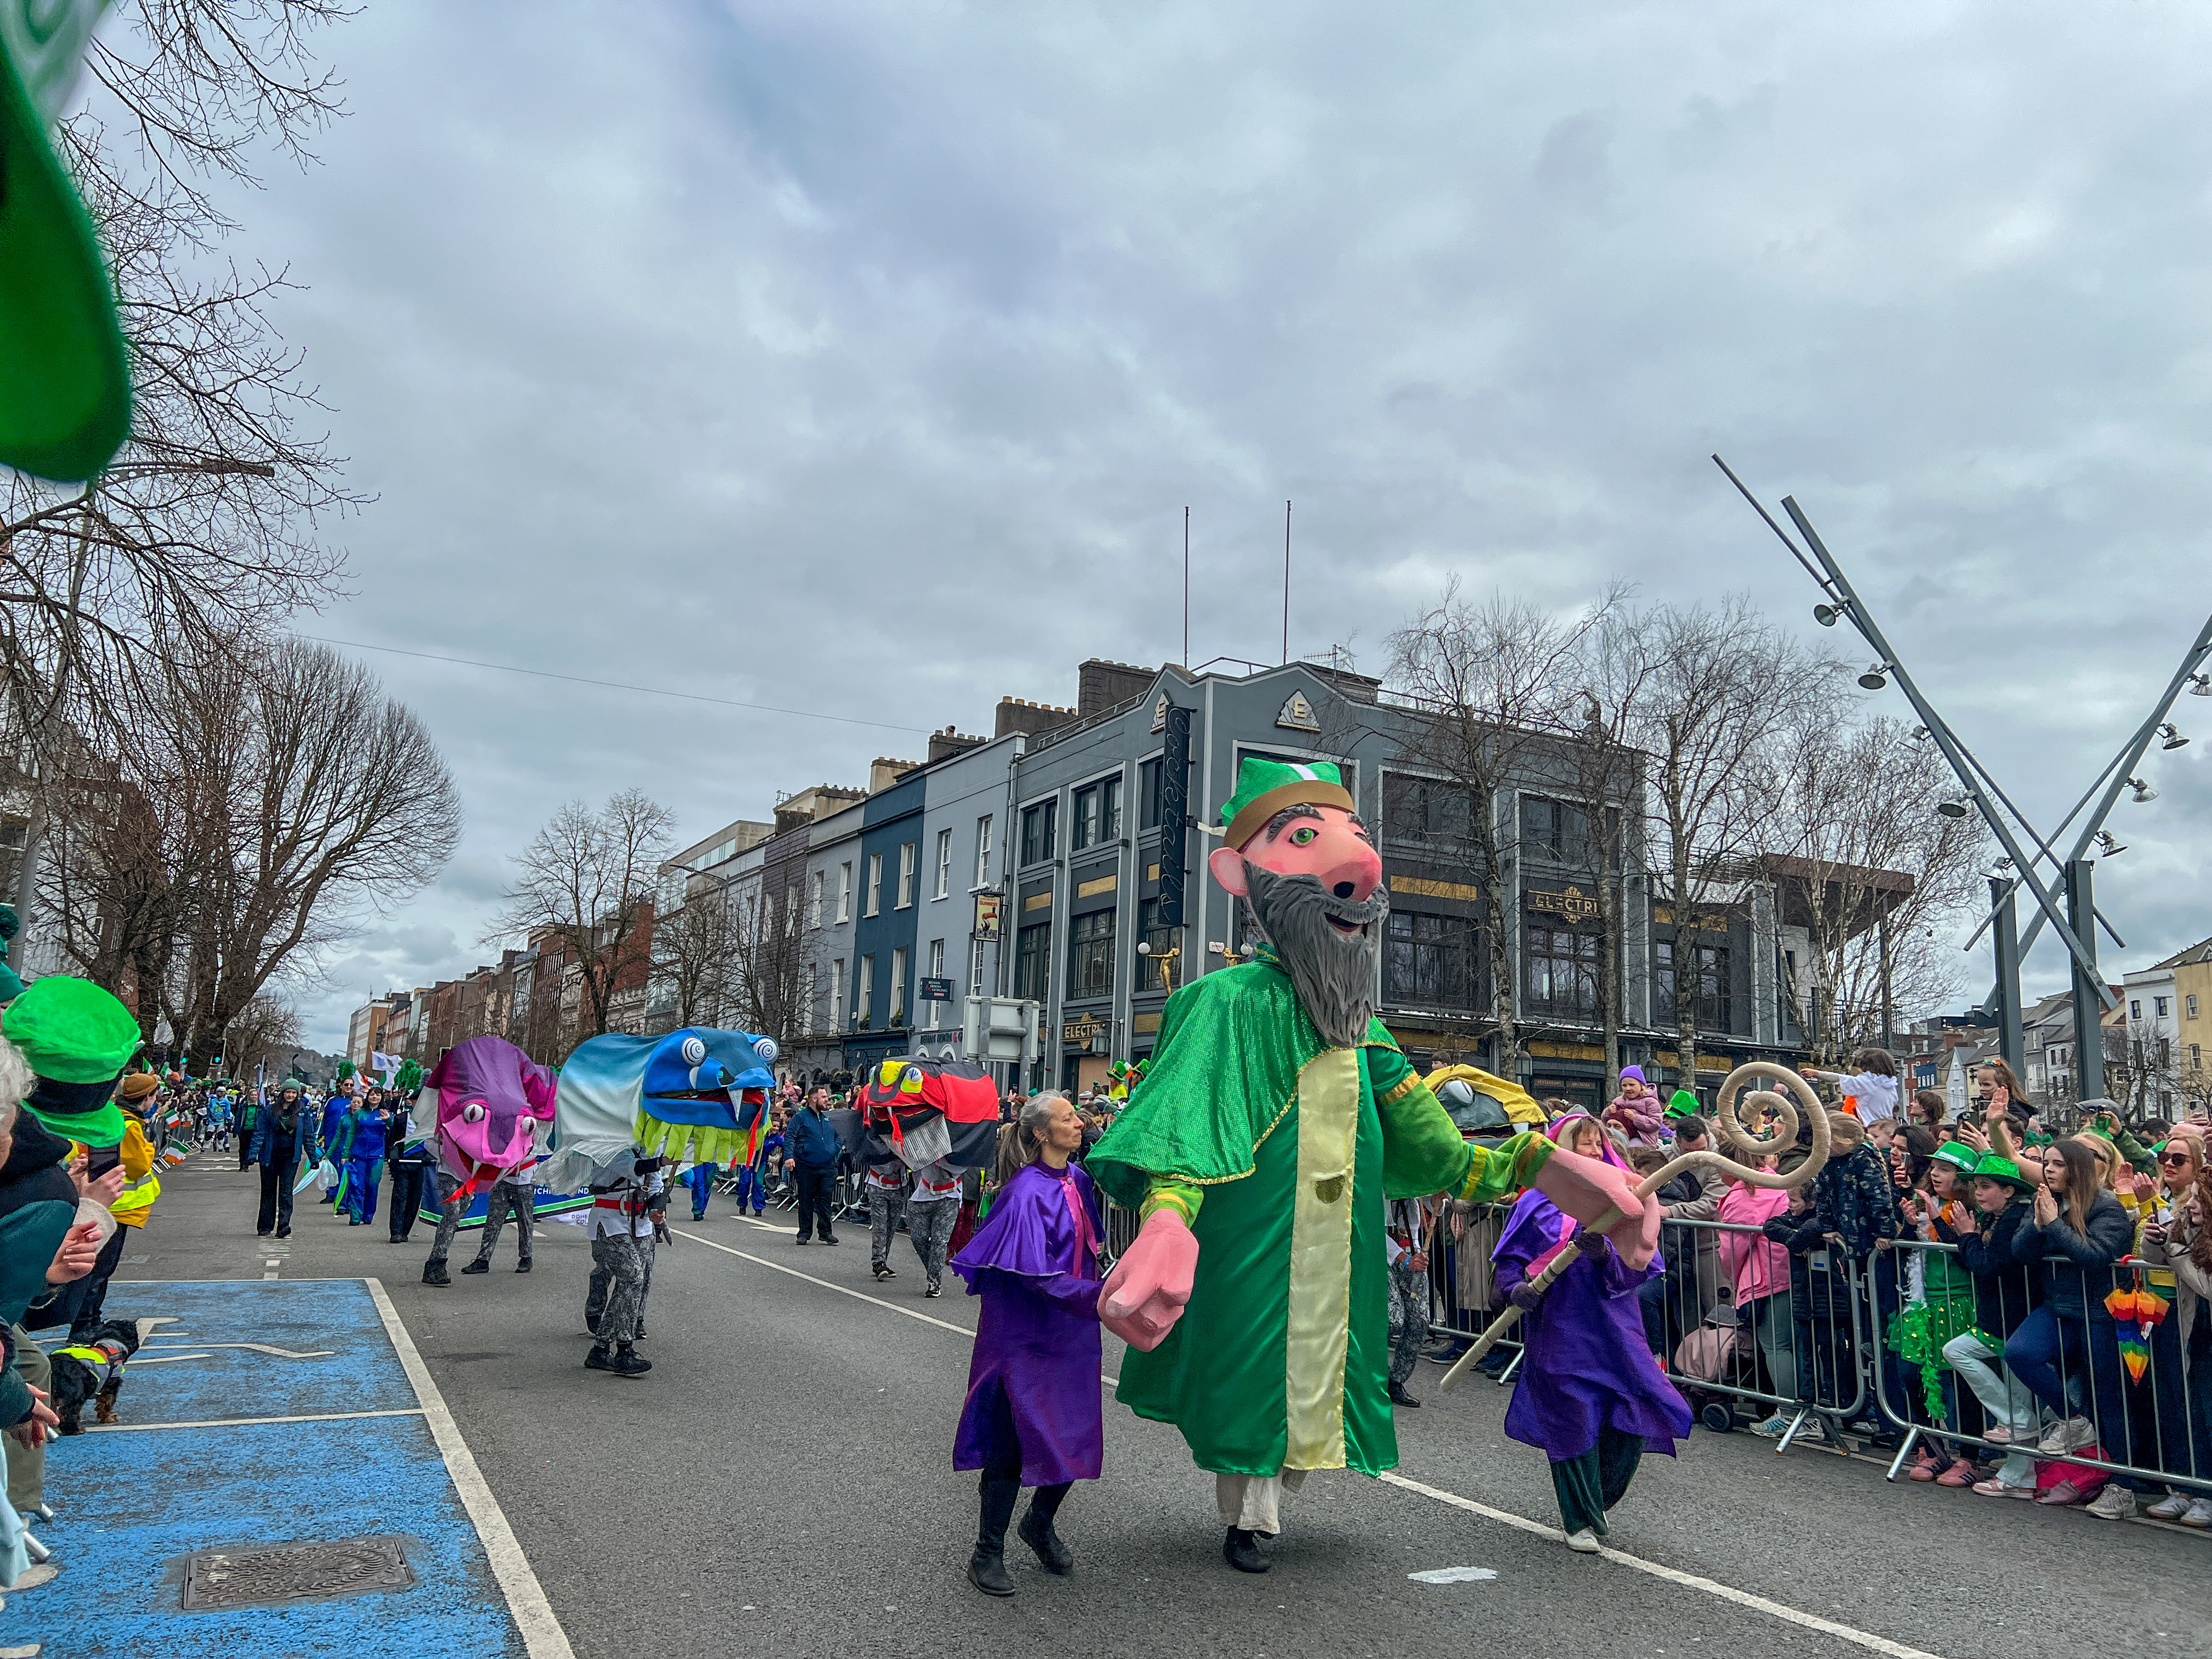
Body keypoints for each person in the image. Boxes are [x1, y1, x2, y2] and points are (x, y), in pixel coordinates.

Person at [1088, 757, 1652, 1573]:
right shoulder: (1223, 1003)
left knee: (1312, 1372)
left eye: (1354, 835)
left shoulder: (1365, 1028)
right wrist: (1169, 1218)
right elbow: (1189, 1125)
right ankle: (1248, 1519)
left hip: (1336, 1246)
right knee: (1252, 1372)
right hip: (1258, 1244)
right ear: (1239, 874)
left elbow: (1437, 1148)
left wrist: (1564, 1171)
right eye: (1308, 838)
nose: (1355, 864)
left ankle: (1267, 1496)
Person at [1493, 1111, 1692, 1551]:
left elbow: (1638, 1270)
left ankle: (1596, 1498)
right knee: (1572, 1415)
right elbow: (1509, 1264)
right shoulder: (1535, 1202)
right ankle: (1579, 1516)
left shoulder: (1626, 1197)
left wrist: (1606, 1256)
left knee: (1633, 1412)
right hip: (1561, 1331)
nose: (1589, 1151)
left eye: (1594, 1143)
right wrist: (1516, 1289)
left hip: (1617, 1331)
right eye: (1579, 1143)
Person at [951, 1093, 1103, 1596]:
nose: (1078, 1123)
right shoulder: (1023, 1193)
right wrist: (1103, 1297)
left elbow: (1091, 1251)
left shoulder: (1078, 1180)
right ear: (1041, 1133)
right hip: (1023, 1334)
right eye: (1066, 1118)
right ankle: (986, 1552)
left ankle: (1039, 1523)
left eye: (1075, 1116)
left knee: (1072, 1430)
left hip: (1071, 1331)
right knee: (1013, 1439)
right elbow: (1037, 1278)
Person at [2002, 1136, 2135, 1515]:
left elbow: (2093, 1257)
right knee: (2020, 1352)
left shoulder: (2108, 1208)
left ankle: (2122, 1485)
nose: (2049, 1170)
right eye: (2047, 1163)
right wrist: (2040, 1222)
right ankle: (2073, 1420)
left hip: (2100, 1313)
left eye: (2058, 1164)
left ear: (2076, 1169)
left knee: (2111, 1401)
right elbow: (2021, 1252)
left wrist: (2055, 1225)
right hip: (2059, 1307)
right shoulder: (2048, 1202)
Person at [1945, 1151, 2045, 1498]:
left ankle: (2021, 1466)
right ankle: (2020, 1470)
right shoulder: (1995, 1218)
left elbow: (1988, 1265)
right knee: (1962, 1355)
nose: (1979, 1194)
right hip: (1999, 1318)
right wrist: (1958, 1232)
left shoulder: (2015, 1217)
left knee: (1962, 1354)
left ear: (2007, 1190)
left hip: (2013, 1319)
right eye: (1976, 1187)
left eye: (1986, 1187)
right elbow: (1972, 1254)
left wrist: (1967, 1236)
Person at [2140, 1133, 2212, 1525]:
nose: (2168, 1164)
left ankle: (2203, 1493)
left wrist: (2176, 1250)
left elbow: (2204, 1284)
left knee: (2204, 1415)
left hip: (2203, 1329)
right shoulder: (2180, 1218)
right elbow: (2155, 1261)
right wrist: (2156, 1240)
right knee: (2182, 1412)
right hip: (2187, 1329)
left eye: (2179, 1158)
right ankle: (2185, 1488)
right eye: (2165, 1157)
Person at [583, 1152, 663, 1377]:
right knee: (632, 1277)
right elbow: (633, 1167)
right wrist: (661, 1161)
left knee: (632, 1284)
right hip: (610, 1222)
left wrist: (658, 1208)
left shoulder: (651, 1147)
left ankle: (600, 1349)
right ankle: (624, 1350)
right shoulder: (611, 1143)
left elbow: (656, 1186)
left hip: (641, 1225)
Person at [250, 1081, 311, 1238]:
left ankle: (284, 1225)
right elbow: (259, 1133)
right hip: (269, 1157)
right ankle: (265, 1226)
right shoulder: (270, 1110)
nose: (290, 1095)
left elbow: (308, 1136)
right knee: (268, 1192)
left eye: (294, 1093)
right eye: (288, 1092)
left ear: (298, 1095)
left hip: (290, 1159)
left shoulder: (302, 1112)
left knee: (285, 1192)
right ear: (282, 1093)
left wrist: (314, 1157)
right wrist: (252, 1154)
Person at [785, 1086, 840, 1245]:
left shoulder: (830, 1117)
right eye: (824, 1097)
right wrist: (789, 1157)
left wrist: (833, 1149)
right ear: (814, 1099)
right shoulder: (801, 1117)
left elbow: (840, 1135)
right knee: (806, 1200)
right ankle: (804, 1232)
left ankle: (825, 1232)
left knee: (825, 1200)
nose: (827, 1100)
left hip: (828, 1166)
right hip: (806, 1165)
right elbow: (790, 1137)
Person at [464, 1160, 537, 1274]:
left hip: (525, 1179)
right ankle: (483, 1259)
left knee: (525, 1222)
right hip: (501, 1180)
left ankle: (526, 1258)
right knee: (492, 1222)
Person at [905, 1155, 962, 1297]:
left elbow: (962, 1167)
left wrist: (940, 1160)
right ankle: (933, 1270)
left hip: (950, 1197)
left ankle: (934, 1282)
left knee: (940, 1241)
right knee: (918, 1239)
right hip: (923, 1196)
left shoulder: (961, 1144)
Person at [1800, 1048, 1900, 1128]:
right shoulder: (1891, 1086)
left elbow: (1839, 1079)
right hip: (1887, 1128)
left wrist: (1816, 1073)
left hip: (1870, 1128)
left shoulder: (1866, 1082)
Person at [385, 1092, 435, 1244]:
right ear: (410, 1102)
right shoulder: (402, 1119)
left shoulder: (431, 1121)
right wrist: (393, 1159)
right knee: (400, 1196)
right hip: (402, 1163)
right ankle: (396, 1232)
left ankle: (405, 1230)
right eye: (416, 1101)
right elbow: (393, 1141)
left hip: (421, 1164)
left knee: (414, 1199)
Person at [337, 1088, 391, 1228]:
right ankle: (355, 1217)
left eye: (378, 1095)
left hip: (376, 1156)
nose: (375, 1097)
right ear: (368, 1097)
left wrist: (389, 1120)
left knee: (372, 1186)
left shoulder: (384, 1113)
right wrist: (345, 1154)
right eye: (372, 1094)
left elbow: (398, 1129)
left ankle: (368, 1216)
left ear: (381, 1098)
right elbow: (351, 1133)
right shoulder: (360, 1114)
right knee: (356, 1185)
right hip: (358, 1155)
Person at [863, 1158, 905, 1282]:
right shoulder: (876, 1139)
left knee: (891, 1227)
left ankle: (883, 1261)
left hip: (900, 1186)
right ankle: (878, 1263)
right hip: (878, 1184)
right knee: (880, 1226)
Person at [1601, 1067, 1663, 1149]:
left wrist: (1635, 1118)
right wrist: (1607, 1112)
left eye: (1632, 1085)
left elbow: (1656, 1123)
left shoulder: (1651, 1102)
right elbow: (1605, 1121)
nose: (1628, 1088)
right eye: (1624, 1085)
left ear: (1641, 1085)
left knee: (1632, 1149)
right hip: (1618, 1138)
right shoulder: (1618, 1101)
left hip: (1643, 1140)